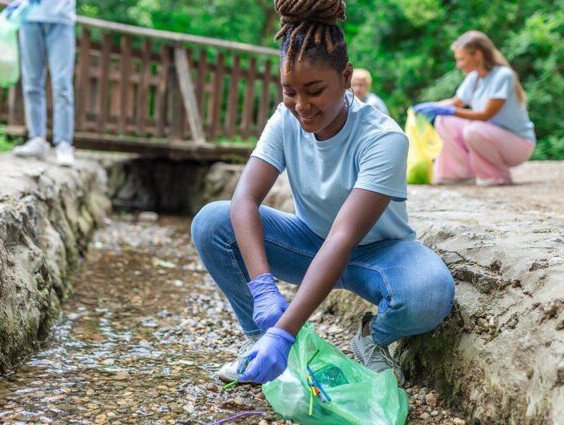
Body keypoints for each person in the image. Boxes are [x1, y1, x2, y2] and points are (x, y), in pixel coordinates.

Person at [191, 0, 454, 386]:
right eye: (290, 91)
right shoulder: (285, 119)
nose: (301, 106)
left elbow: (345, 236)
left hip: (379, 253)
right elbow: (245, 199)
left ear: (346, 77)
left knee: (429, 293)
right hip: (309, 242)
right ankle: (259, 341)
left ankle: (370, 339)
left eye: (314, 91)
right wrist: (263, 289)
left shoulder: (383, 138)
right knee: (212, 221)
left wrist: (288, 330)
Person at [413, 31, 535, 186]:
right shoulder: (474, 78)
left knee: (474, 130)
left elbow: (485, 115)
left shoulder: (503, 76)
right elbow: (455, 103)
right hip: (488, 135)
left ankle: (495, 177)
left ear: (477, 55)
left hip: (518, 143)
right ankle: (459, 174)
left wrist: (452, 111)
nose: (459, 65)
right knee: (444, 121)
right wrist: (430, 107)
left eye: (462, 59)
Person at [10, 0, 77, 167]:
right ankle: (37, 138)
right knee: (32, 83)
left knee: (62, 84)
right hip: (29, 17)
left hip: (61, 19)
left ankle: (64, 144)